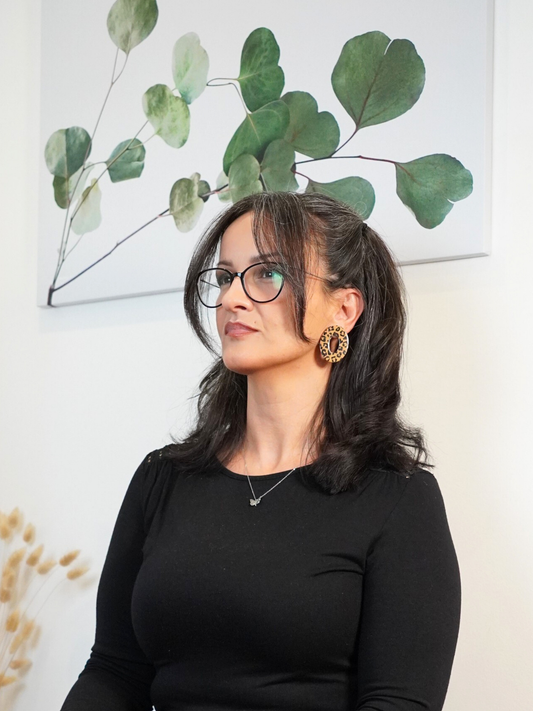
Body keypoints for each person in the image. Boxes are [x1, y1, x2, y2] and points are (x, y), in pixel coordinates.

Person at [60, 191, 461, 711]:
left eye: (268, 273)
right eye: (226, 276)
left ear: (343, 309)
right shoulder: (163, 478)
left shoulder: (397, 498)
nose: (232, 298)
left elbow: (398, 701)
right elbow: (114, 671)